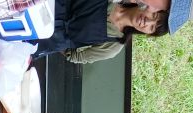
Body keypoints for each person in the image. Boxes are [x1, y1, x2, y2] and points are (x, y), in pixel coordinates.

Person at [33, 1, 170, 65]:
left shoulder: (114, 45)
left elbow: (76, 56)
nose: (147, 22)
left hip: (40, 39)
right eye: (154, 16)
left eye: (152, 28)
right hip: (41, 4)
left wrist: (58, 41)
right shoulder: (115, 1)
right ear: (150, 7)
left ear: (147, 33)